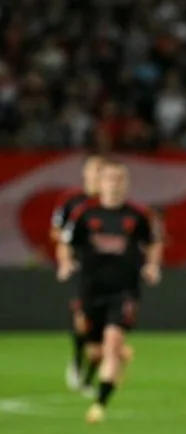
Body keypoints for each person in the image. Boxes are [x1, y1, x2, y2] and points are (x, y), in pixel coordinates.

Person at [56, 161, 162, 424]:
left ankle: (100, 405)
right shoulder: (83, 213)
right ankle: (89, 364)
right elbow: (65, 242)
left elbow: (154, 242)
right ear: (99, 184)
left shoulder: (138, 215)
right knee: (95, 349)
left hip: (124, 290)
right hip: (91, 289)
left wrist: (152, 265)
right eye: (109, 179)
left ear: (126, 184)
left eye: (119, 180)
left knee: (113, 343)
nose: (114, 185)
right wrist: (65, 262)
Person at [50, 154, 107, 391]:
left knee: (104, 328)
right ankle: (76, 361)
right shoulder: (71, 200)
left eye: (101, 171)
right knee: (83, 321)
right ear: (85, 174)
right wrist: (67, 254)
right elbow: (56, 231)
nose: (97, 176)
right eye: (93, 171)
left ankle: (88, 376)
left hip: (108, 271)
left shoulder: (111, 203)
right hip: (83, 268)